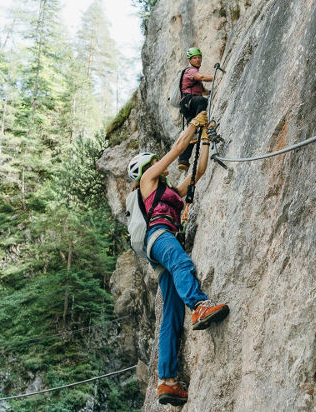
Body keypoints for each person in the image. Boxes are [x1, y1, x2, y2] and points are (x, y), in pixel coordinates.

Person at [127, 111, 229, 406]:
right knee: (182, 263)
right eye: (154, 162)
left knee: (170, 316)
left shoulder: (168, 191)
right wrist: (194, 126)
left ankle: (167, 381)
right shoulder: (147, 180)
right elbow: (175, 152)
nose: (161, 166)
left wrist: (205, 138)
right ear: (147, 167)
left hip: (156, 249)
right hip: (159, 237)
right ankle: (199, 306)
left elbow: (197, 173)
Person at [178, 47, 213, 171]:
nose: (198, 60)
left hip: (188, 105)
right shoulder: (190, 71)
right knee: (202, 101)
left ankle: (183, 160)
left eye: (199, 57)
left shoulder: (193, 76)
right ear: (190, 60)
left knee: (191, 133)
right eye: (195, 58)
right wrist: (216, 77)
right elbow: (202, 77)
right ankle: (199, 123)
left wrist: (212, 91)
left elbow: (203, 91)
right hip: (189, 101)